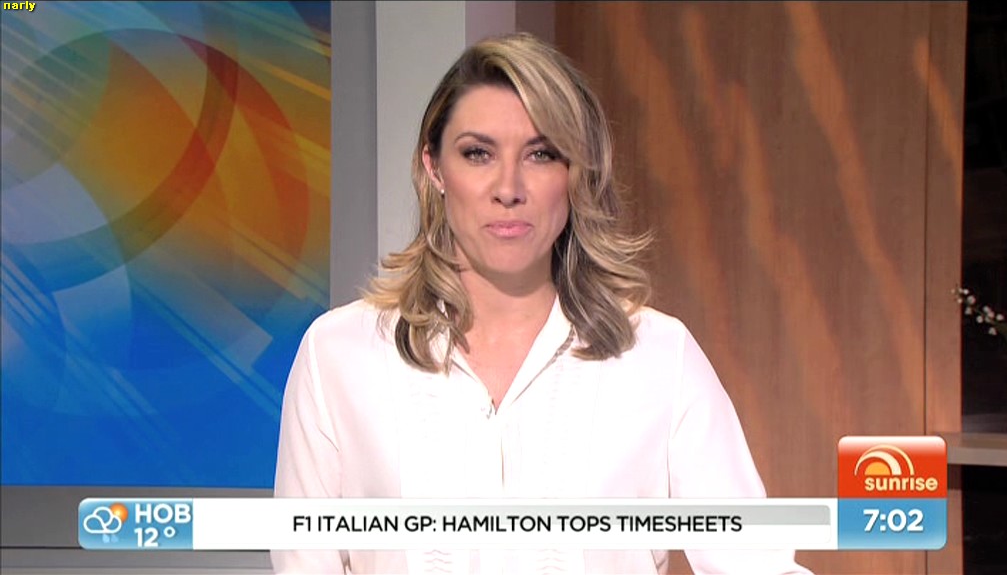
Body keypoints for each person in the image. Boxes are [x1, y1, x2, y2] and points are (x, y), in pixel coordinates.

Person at [272, 32, 813, 575]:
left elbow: (758, 565)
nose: (509, 188)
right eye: (478, 153)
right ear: (434, 168)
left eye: (541, 154)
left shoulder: (658, 355)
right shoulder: (337, 354)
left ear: (576, 173)